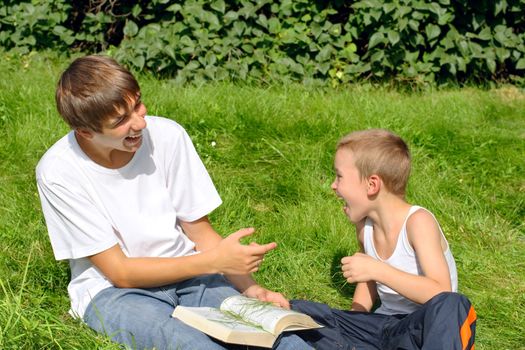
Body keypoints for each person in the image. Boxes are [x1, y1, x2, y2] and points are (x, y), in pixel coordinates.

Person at [36, 55, 310, 350]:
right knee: (191, 344)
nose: (140, 122)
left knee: (277, 337)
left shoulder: (167, 135)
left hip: (191, 275)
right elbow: (120, 272)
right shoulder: (59, 171)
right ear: (86, 132)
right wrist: (214, 262)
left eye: (137, 104)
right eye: (121, 120)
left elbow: (200, 232)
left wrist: (253, 289)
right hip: (113, 292)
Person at [290, 129, 477, 350]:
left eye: (339, 176)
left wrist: (377, 270)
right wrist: (354, 321)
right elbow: (367, 281)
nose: (334, 185)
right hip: (381, 328)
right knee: (296, 310)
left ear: (372, 185)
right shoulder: (365, 226)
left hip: (419, 329)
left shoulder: (418, 222)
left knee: (453, 304)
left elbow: (440, 291)